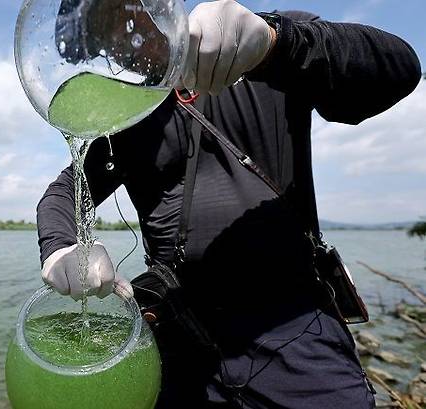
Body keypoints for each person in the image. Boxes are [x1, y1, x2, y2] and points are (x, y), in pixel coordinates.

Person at [36, 1, 422, 407]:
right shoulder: (127, 120)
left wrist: (275, 42)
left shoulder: (260, 52)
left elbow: (398, 70)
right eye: (100, 38)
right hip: (181, 336)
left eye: (122, 20)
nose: (118, 43)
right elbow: (65, 191)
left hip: (295, 330)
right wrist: (62, 246)